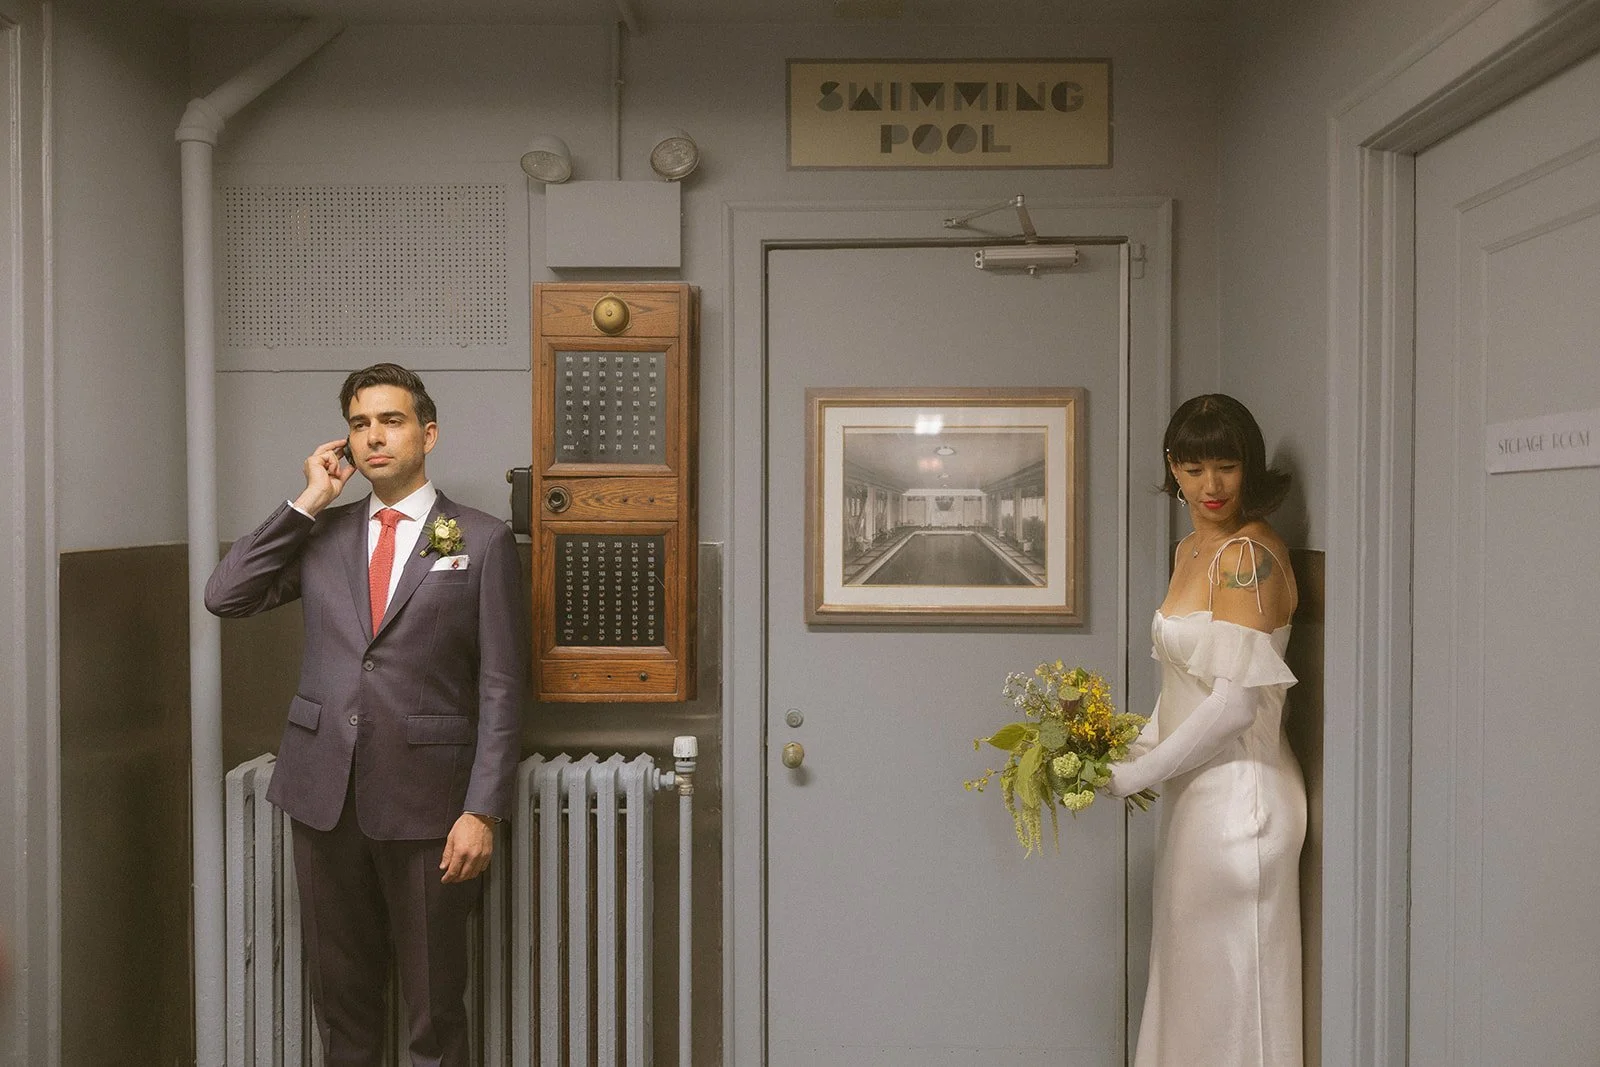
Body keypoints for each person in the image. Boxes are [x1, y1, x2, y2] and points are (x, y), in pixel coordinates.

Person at [206, 363, 526, 1066]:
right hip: (324, 800)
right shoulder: (321, 533)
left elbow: (503, 686)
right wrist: (310, 497)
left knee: (434, 1013)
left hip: (429, 807)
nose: (373, 436)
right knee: (343, 1008)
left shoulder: (480, 538)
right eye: (359, 424)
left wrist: (482, 809)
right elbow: (226, 595)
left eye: (391, 419)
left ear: (427, 433)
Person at [1108, 393, 1305, 1066]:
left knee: (1231, 994)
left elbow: (1234, 707)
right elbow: (1182, 686)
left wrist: (1136, 774)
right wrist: (1124, 745)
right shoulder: (1192, 547)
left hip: (1241, 800)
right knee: (1190, 986)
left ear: (1249, 467)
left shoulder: (1248, 557)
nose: (1211, 485)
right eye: (1194, 468)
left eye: (1226, 466)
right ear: (1173, 467)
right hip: (1194, 796)